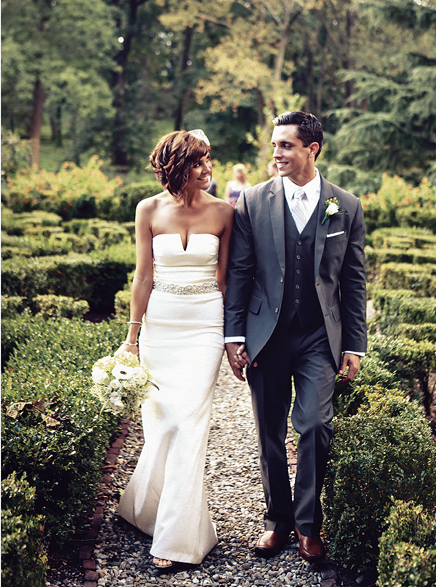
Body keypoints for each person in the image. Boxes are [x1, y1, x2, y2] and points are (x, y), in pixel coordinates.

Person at [224, 112, 367, 563]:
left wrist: (354, 344)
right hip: (267, 334)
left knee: (315, 425)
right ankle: (276, 522)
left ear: (312, 149)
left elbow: (354, 281)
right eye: (274, 145)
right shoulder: (250, 201)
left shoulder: (346, 205)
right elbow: (241, 271)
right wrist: (234, 335)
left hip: (317, 338)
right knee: (269, 432)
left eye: (286, 145)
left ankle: (308, 526)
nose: (277, 154)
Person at [115, 129, 234, 570]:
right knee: (161, 423)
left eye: (210, 161)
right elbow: (142, 277)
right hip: (160, 328)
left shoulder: (224, 212)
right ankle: (145, 509)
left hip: (205, 327)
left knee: (190, 423)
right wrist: (132, 338)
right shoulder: (148, 209)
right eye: (201, 162)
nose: (209, 169)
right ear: (180, 167)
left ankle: (176, 540)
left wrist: (232, 337)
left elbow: (226, 280)